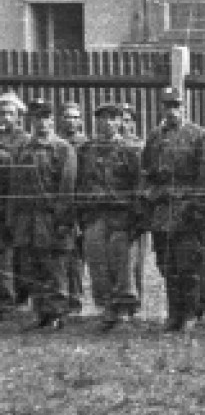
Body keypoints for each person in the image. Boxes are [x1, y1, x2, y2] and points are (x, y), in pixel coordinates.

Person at [142, 86, 205, 333]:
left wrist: (197, 208)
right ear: (161, 107)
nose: (172, 111)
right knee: (167, 264)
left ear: (184, 107)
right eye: (167, 106)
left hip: (188, 209)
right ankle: (174, 313)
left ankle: (191, 313)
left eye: (176, 106)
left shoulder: (198, 135)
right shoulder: (154, 136)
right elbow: (147, 170)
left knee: (188, 264)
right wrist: (151, 197)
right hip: (162, 210)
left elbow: (204, 175)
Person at [75, 102, 145, 331]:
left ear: (119, 121)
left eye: (112, 118)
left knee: (122, 264)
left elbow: (139, 184)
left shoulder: (131, 149)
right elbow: (80, 183)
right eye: (102, 118)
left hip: (121, 216)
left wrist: (137, 217)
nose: (107, 123)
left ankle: (124, 310)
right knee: (98, 264)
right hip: (94, 215)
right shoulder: (87, 149)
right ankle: (107, 308)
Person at [10, 99, 77, 329]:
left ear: (52, 120)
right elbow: (15, 187)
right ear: (31, 120)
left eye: (46, 118)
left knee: (54, 268)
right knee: (32, 266)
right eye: (37, 118)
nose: (42, 123)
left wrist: (63, 220)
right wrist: (13, 219)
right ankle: (41, 313)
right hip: (27, 220)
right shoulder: (23, 149)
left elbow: (67, 188)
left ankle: (56, 314)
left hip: (51, 218)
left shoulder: (62, 148)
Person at [55, 102, 88, 310]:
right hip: (59, 205)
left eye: (76, 117)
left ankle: (75, 298)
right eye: (68, 117)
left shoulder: (86, 145)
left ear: (81, 121)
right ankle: (60, 297)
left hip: (80, 206)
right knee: (59, 254)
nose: (71, 121)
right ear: (61, 119)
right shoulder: (55, 144)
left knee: (77, 255)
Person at [0, 91, 27, 315]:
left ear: (18, 116)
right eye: (2, 113)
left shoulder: (24, 140)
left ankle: (13, 297)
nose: (5, 117)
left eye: (10, 113)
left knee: (14, 252)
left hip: (16, 201)